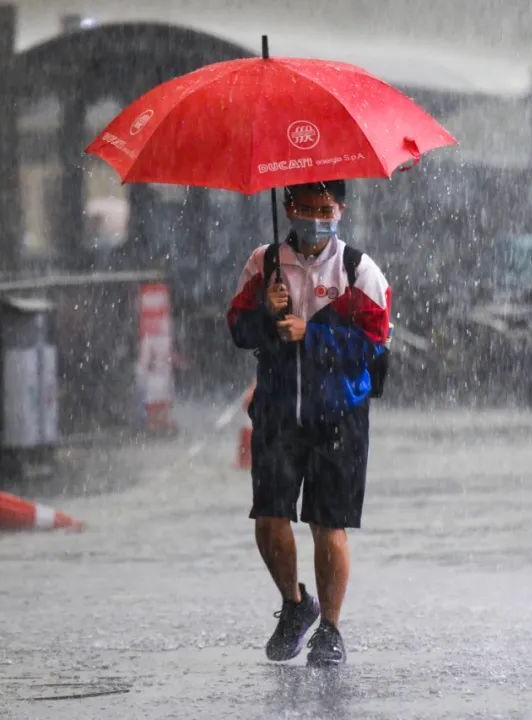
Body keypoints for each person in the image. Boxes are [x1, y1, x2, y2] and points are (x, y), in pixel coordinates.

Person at [227, 180, 391, 667]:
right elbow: (237, 329)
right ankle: (296, 606)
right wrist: (265, 312)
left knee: (328, 524)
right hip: (278, 412)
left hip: (339, 417)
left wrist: (313, 334)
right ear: (288, 207)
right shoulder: (265, 264)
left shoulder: (359, 271)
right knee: (269, 517)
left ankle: (332, 630)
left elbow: (374, 345)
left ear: (341, 209)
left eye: (326, 208)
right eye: (305, 207)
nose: (316, 218)